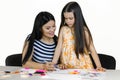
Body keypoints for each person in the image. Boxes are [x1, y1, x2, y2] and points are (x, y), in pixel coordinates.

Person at [52, 1, 105, 71]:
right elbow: (59, 47)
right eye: (66, 18)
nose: (68, 21)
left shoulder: (84, 31)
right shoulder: (63, 29)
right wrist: (53, 63)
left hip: (83, 68)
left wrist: (99, 66)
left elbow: (92, 49)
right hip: (67, 68)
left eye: (71, 18)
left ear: (77, 17)